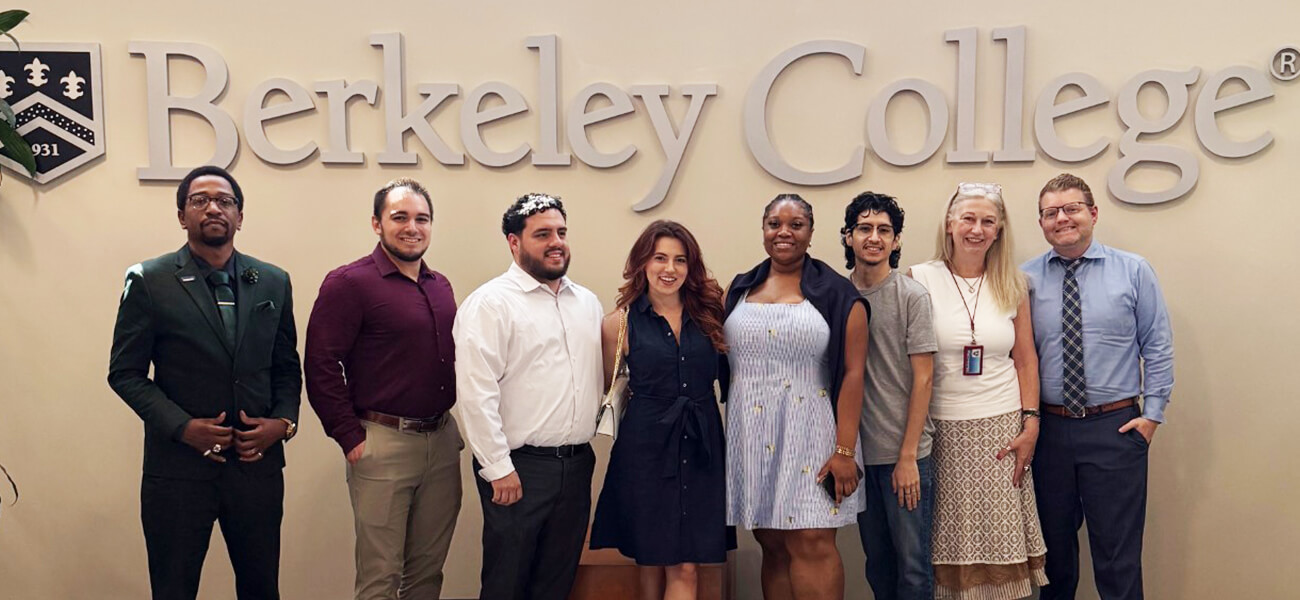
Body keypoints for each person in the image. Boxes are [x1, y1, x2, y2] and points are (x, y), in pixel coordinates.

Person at [108, 165, 301, 600]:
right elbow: (125, 373)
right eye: (200, 200)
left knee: (261, 589)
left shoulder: (273, 280)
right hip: (178, 471)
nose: (213, 208)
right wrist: (182, 428)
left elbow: (287, 367)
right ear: (182, 216)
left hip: (256, 469)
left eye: (224, 201)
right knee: (173, 590)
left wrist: (283, 423)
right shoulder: (150, 280)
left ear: (239, 216)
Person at [304, 178, 461, 600]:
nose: (412, 227)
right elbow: (320, 363)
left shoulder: (440, 285)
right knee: (381, 577)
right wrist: (349, 437)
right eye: (400, 217)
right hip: (382, 442)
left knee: (427, 573)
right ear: (377, 224)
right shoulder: (348, 283)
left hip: (441, 441)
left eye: (422, 219)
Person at [1022, 173, 1174, 600]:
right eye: (1051, 212)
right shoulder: (1025, 279)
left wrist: (1151, 416)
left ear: (1092, 213)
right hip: (1049, 432)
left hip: (1115, 429)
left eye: (1071, 209)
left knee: (1117, 557)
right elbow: (1019, 358)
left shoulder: (1133, 270)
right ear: (1041, 222)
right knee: (1053, 560)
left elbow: (1157, 345)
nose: (1062, 219)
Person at [453, 193, 604, 600]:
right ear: (514, 242)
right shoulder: (490, 304)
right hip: (518, 469)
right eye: (542, 234)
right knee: (507, 583)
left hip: (576, 466)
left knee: (556, 583)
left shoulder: (587, 303)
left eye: (561, 232)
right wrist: (497, 466)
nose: (556, 242)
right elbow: (476, 393)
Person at [722, 194, 869, 600]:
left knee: (811, 539)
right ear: (764, 229)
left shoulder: (838, 294)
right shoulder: (739, 288)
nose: (784, 232)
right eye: (775, 223)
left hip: (814, 435)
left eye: (796, 224)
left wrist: (844, 450)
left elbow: (854, 374)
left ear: (811, 232)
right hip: (752, 434)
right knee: (771, 541)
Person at [908, 182, 1047, 600]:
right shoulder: (919, 279)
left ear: (999, 229)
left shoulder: (1014, 283)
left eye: (988, 221)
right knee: (948, 543)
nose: (977, 229)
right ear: (950, 223)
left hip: (1002, 431)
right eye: (968, 218)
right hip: (941, 432)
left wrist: (1031, 424)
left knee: (1000, 542)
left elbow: (1025, 359)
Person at [590, 220, 737, 600]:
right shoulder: (618, 324)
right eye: (659, 258)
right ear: (642, 262)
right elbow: (609, 385)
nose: (669, 269)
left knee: (685, 564)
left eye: (680, 260)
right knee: (650, 557)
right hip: (646, 451)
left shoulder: (712, 313)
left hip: (702, 447)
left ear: (691, 266)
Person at [839, 192, 937, 600]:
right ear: (848, 237)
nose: (874, 237)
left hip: (905, 456)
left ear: (896, 241)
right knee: (877, 565)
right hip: (860, 458)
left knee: (913, 569)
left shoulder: (912, 296)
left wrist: (908, 456)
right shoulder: (836, 296)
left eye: (884, 230)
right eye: (864, 228)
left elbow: (924, 379)